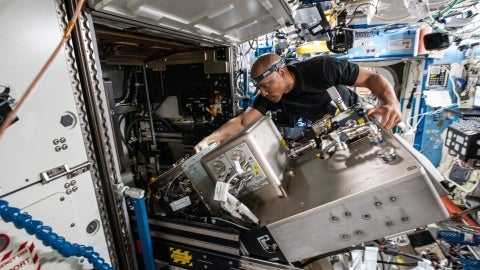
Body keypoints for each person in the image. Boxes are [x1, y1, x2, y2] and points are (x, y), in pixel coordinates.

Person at [194, 53, 402, 153]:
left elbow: (371, 78)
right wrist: (212, 138)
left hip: (356, 116)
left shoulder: (322, 68)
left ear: (281, 72)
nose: (263, 93)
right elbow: (242, 122)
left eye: (266, 85)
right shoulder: (272, 97)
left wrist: (390, 102)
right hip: (327, 131)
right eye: (260, 89)